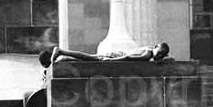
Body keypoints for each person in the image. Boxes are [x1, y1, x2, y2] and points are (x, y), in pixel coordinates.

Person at [38, 42, 170, 69]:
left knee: (87, 58)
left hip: (116, 55)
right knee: (88, 58)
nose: (159, 57)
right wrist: (110, 61)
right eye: (159, 54)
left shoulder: (148, 48)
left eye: (161, 56)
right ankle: (62, 52)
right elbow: (128, 59)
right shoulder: (147, 55)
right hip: (114, 58)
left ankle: (64, 56)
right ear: (156, 48)